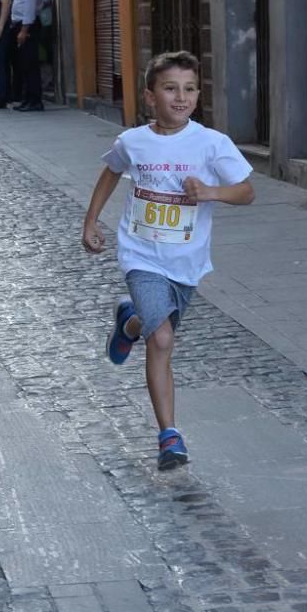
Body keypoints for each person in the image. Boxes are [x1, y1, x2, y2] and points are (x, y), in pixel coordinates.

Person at [81, 51, 255, 470]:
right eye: (170, 88)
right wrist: (91, 221)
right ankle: (169, 435)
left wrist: (212, 192)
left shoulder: (212, 144)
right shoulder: (134, 142)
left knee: (153, 325)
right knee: (161, 340)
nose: (181, 97)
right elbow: (110, 172)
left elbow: (246, 191)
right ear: (150, 96)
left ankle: (129, 322)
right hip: (141, 255)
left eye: (190, 89)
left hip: (187, 262)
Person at [9, 0, 44, 111]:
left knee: (30, 63)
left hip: (27, 25)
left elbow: (30, 6)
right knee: (24, 63)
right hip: (20, 24)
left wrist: (24, 30)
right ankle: (28, 98)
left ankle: (35, 100)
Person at [34, 0, 54, 90]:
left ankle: (49, 80)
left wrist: (36, 7)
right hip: (39, 18)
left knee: (45, 50)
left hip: (45, 18)